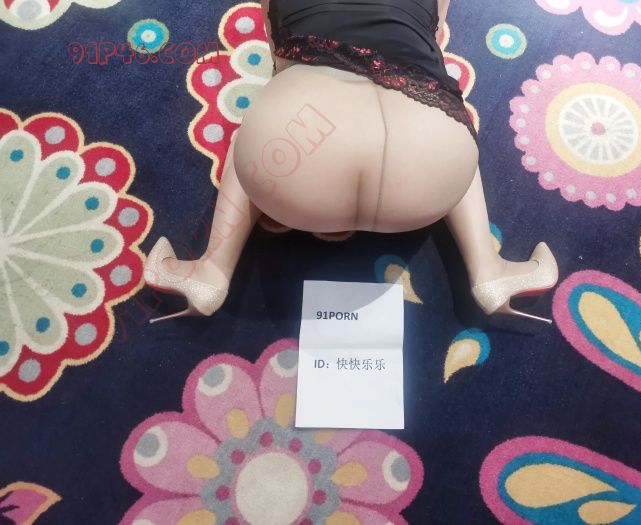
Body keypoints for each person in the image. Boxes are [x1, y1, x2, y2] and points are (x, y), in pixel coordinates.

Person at [143, 0, 559, 324]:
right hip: (425, 170)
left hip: (299, 162)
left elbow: (279, 53)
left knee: (253, 133)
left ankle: (212, 271)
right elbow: (433, 38)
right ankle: (487, 269)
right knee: (446, 115)